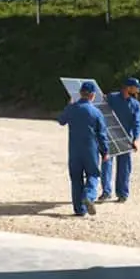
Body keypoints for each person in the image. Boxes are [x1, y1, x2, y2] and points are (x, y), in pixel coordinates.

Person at [57, 81, 110, 217]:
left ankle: (79, 210)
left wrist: (69, 105)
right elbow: (102, 134)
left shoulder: (72, 108)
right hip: (90, 150)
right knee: (93, 175)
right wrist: (105, 152)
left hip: (74, 150)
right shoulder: (96, 112)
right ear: (92, 95)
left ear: (80, 93)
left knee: (76, 178)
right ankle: (88, 196)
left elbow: (61, 120)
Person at [99, 77, 140, 203]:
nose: (138, 89)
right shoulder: (112, 97)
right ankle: (106, 192)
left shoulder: (135, 104)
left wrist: (135, 139)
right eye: (137, 87)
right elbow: (100, 102)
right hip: (109, 137)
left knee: (125, 167)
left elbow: (137, 123)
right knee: (107, 164)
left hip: (125, 139)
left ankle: (122, 193)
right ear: (128, 88)